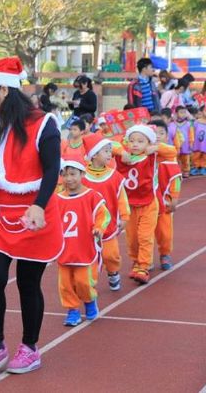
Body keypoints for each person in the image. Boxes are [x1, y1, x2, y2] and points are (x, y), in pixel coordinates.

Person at [0, 57, 62, 377]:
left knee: (27, 282)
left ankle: (30, 346)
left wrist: (39, 204)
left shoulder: (44, 124)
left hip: (33, 213)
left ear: (6, 90)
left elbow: (53, 168)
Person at [114, 125, 176, 284]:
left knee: (145, 236)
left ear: (148, 143)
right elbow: (110, 143)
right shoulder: (124, 155)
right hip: (130, 205)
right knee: (132, 238)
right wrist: (121, 151)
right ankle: (136, 261)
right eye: (132, 140)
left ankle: (143, 266)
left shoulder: (152, 155)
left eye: (140, 141)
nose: (135, 144)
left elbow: (172, 151)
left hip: (148, 203)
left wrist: (154, 147)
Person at [56, 157, 110, 326]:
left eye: (73, 174)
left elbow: (104, 214)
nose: (69, 179)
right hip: (65, 248)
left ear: (82, 174)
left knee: (84, 281)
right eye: (65, 175)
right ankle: (72, 310)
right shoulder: (58, 198)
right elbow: (52, 220)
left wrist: (99, 228)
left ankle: (89, 301)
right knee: (65, 283)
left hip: (84, 247)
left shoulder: (92, 196)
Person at [81, 134, 130, 291]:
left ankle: (113, 272)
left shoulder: (114, 176)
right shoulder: (82, 177)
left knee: (111, 255)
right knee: (89, 259)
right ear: (94, 154)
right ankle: (90, 286)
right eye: (106, 151)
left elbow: (121, 197)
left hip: (108, 227)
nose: (110, 154)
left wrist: (124, 216)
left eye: (110, 151)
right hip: (87, 227)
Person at [149, 120, 182, 270]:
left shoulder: (168, 152)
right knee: (144, 234)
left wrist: (174, 199)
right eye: (153, 133)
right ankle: (144, 261)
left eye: (161, 133)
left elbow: (175, 179)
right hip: (146, 202)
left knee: (165, 233)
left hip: (163, 202)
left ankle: (165, 254)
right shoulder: (143, 152)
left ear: (167, 136)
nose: (157, 136)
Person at [174, 106, 193, 177]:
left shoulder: (188, 124)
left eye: (184, 112)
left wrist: (191, 142)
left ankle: (186, 171)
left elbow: (191, 134)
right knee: (177, 158)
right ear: (176, 113)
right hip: (176, 145)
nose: (183, 114)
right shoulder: (173, 124)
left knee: (186, 159)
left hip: (186, 144)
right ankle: (178, 171)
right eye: (181, 112)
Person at [191, 107, 206, 175]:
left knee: (204, 156)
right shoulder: (197, 122)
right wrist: (192, 141)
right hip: (197, 143)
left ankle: (203, 167)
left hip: (205, 144)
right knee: (196, 155)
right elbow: (193, 132)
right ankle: (195, 167)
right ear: (202, 111)